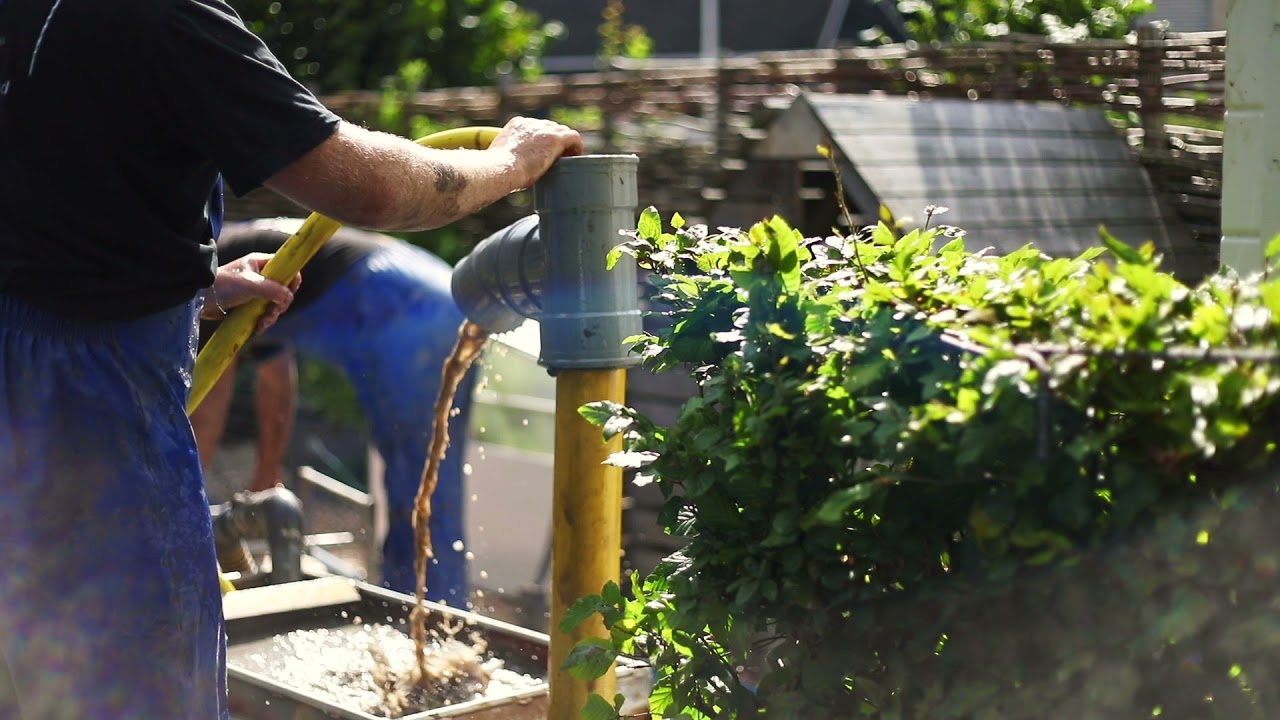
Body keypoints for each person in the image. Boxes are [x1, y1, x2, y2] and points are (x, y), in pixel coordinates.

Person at [0, 0, 584, 717]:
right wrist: (509, 162)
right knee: (139, 687)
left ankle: (429, 626)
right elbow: (369, 184)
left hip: (402, 311)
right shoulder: (162, 15)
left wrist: (193, 286)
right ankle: (429, 621)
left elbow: (53, 209)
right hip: (88, 403)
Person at [191, 219, 478, 605]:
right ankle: (425, 619)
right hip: (427, 291)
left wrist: (182, 500)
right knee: (417, 479)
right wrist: (267, 471)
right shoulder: (242, 262)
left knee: (422, 483)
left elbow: (207, 404)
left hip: (402, 302)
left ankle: (433, 626)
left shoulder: (205, 274)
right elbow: (275, 380)